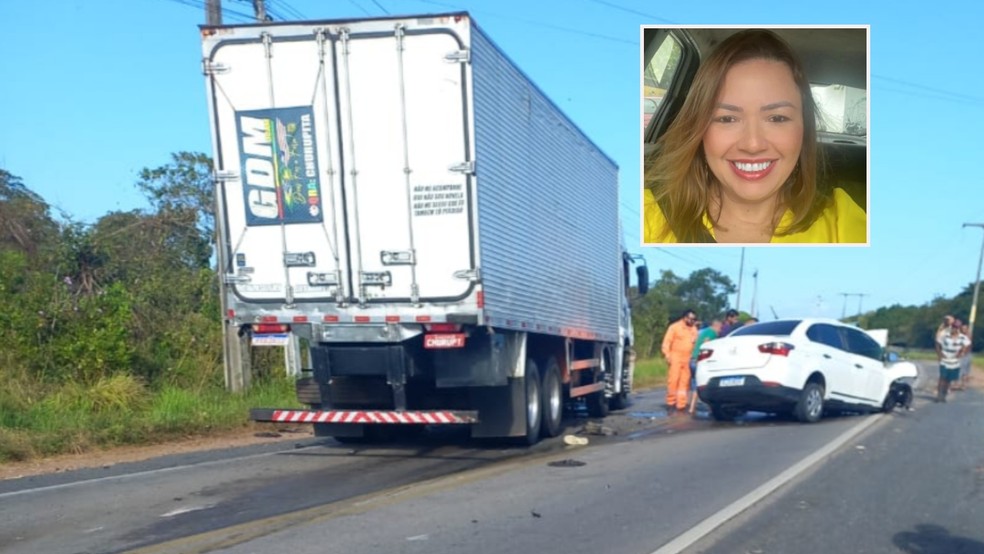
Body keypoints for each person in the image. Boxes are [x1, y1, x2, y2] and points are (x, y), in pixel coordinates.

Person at [643, 29, 866, 244]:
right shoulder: (646, 215)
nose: (753, 144)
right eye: (727, 119)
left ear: (804, 129)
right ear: (699, 129)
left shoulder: (842, 222)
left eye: (777, 118)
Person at [662, 309, 699, 413]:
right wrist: (667, 355)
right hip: (675, 356)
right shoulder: (674, 327)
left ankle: (681, 404)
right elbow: (667, 342)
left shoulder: (694, 329)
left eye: (694, 319)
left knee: (685, 382)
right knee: (673, 380)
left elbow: (696, 343)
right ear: (685, 317)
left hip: (688, 358)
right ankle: (671, 402)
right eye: (691, 319)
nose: (692, 321)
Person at [689, 319, 722, 414]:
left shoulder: (704, 331)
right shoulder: (712, 333)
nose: (720, 331)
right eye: (720, 328)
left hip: (692, 360)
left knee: (696, 386)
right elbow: (707, 344)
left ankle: (692, 408)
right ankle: (712, 408)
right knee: (708, 385)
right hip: (700, 361)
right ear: (716, 326)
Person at [935, 319, 970, 402]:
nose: (954, 329)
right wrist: (940, 354)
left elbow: (967, 344)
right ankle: (939, 395)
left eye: (956, 327)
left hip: (954, 361)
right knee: (942, 377)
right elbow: (937, 343)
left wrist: (962, 352)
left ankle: (944, 394)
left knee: (949, 379)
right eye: (953, 327)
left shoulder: (962, 337)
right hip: (945, 359)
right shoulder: (945, 335)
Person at [956, 323, 973, 391]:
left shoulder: (968, 336)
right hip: (962, 355)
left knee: (966, 371)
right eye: (963, 329)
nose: (964, 330)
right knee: (961, 370)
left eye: (965, 329)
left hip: (968, 355)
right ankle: (958, 383)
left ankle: (964, 385)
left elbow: (968, 345)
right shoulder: (960, 336)